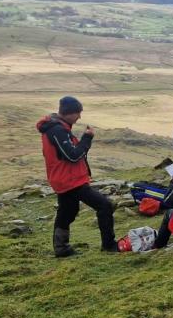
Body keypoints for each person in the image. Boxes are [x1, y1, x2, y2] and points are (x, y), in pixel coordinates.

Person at [36, 96, 116, 257]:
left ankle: (61, 248)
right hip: (69, 180)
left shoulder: (58, 127)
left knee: (68, 211)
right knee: (104, 205)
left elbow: (72, 154)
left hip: (65, 179)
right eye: (77, 113)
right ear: (68, 113)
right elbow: (72, 156)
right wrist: (87, 138)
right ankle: (109, 245)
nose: (79, 117)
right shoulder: (57, 130)